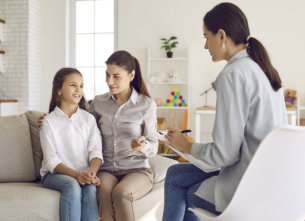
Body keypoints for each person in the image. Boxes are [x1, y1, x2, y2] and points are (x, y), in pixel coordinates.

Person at [162, 3, 287, 221]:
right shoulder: (263, 69)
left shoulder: (233, 74)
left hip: (247, 186)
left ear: (221, 35)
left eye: (206, 37)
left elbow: (225, 154)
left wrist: (186, 145)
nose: (205, 46)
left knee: (181, 187)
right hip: (272, 181)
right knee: (175, 174)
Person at [89, 50, 158, 221]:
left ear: (131, 75)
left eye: (116, 76)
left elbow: (154, 145)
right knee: (104, 193)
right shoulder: (98, 103)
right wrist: (50, 119)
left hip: (137, 169)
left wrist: (143, 145)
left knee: (121, 193)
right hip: (106, 169)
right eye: (107, 75)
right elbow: (81, 127)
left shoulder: (146, 104)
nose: (109, 81)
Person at [40, 67, 103, 221]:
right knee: (72, 185)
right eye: (72, 85)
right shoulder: (49, 122)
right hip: (54, 175)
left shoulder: (89, 119)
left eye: (81, 86)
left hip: (84, 173)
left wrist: (92, 173)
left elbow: (96, 152)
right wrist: (77, 175)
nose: (78, 90)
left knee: (89, 189)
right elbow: (51, 161)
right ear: (59, 90)